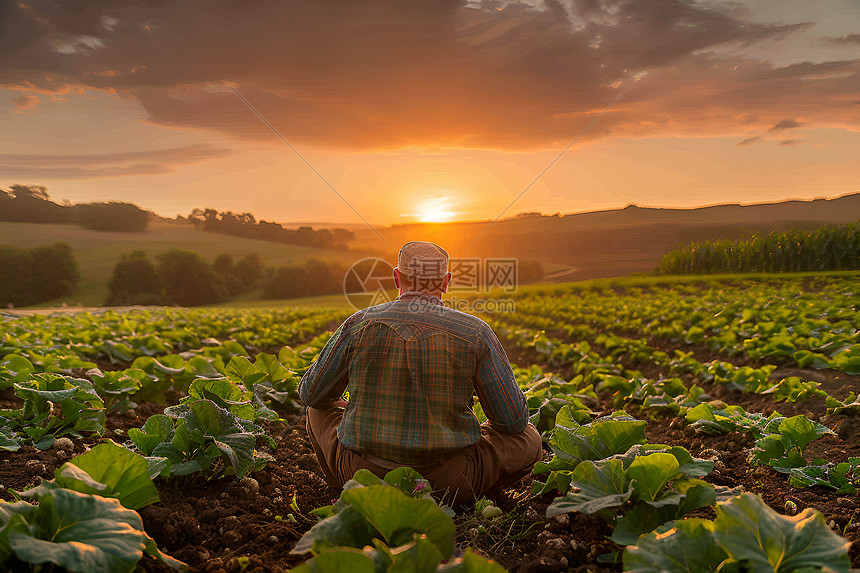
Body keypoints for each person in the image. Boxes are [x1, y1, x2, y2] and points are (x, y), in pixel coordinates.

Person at [298, 241, 542, 505]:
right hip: (452, 480)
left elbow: (311, 394)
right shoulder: (476, 331)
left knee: (316, 409)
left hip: (363, 476)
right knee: (530, 438)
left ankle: (345, 491)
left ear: (396, 278)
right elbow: (511, 422)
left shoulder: (359, 323)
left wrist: (348, 404)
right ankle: (472, 496)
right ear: (446, 282)